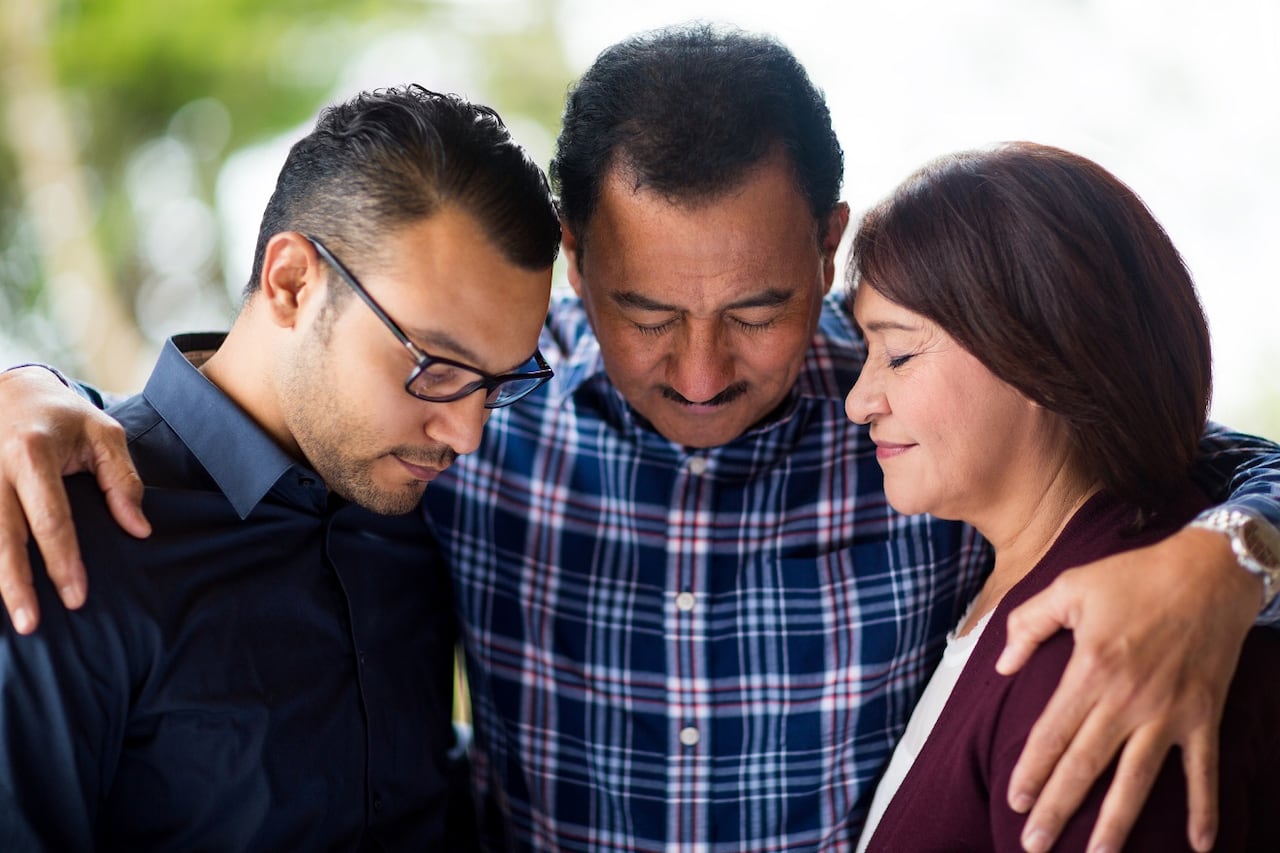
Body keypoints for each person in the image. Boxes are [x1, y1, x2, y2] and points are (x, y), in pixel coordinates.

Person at [3, 24, 1280, 853]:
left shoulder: (923, 410)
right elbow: (276, 416)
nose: (701, 371)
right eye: (647, 315)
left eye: (758, 312)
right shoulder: (473, 420)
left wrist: (1228, 557)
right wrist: (26, 380)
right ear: (575, 260)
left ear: (826, 247)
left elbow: (1167, 447)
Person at [0, 84, 560, 848]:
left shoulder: (420, 502)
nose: (466, 435)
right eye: (434, 366)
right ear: (292, 283)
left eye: (497, 383)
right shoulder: (58, 533)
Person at [849, 142, 1280, 851]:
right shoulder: (1010, 580)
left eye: (897, 354)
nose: (858, 401)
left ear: (1037, 354)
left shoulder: (1111, 656)